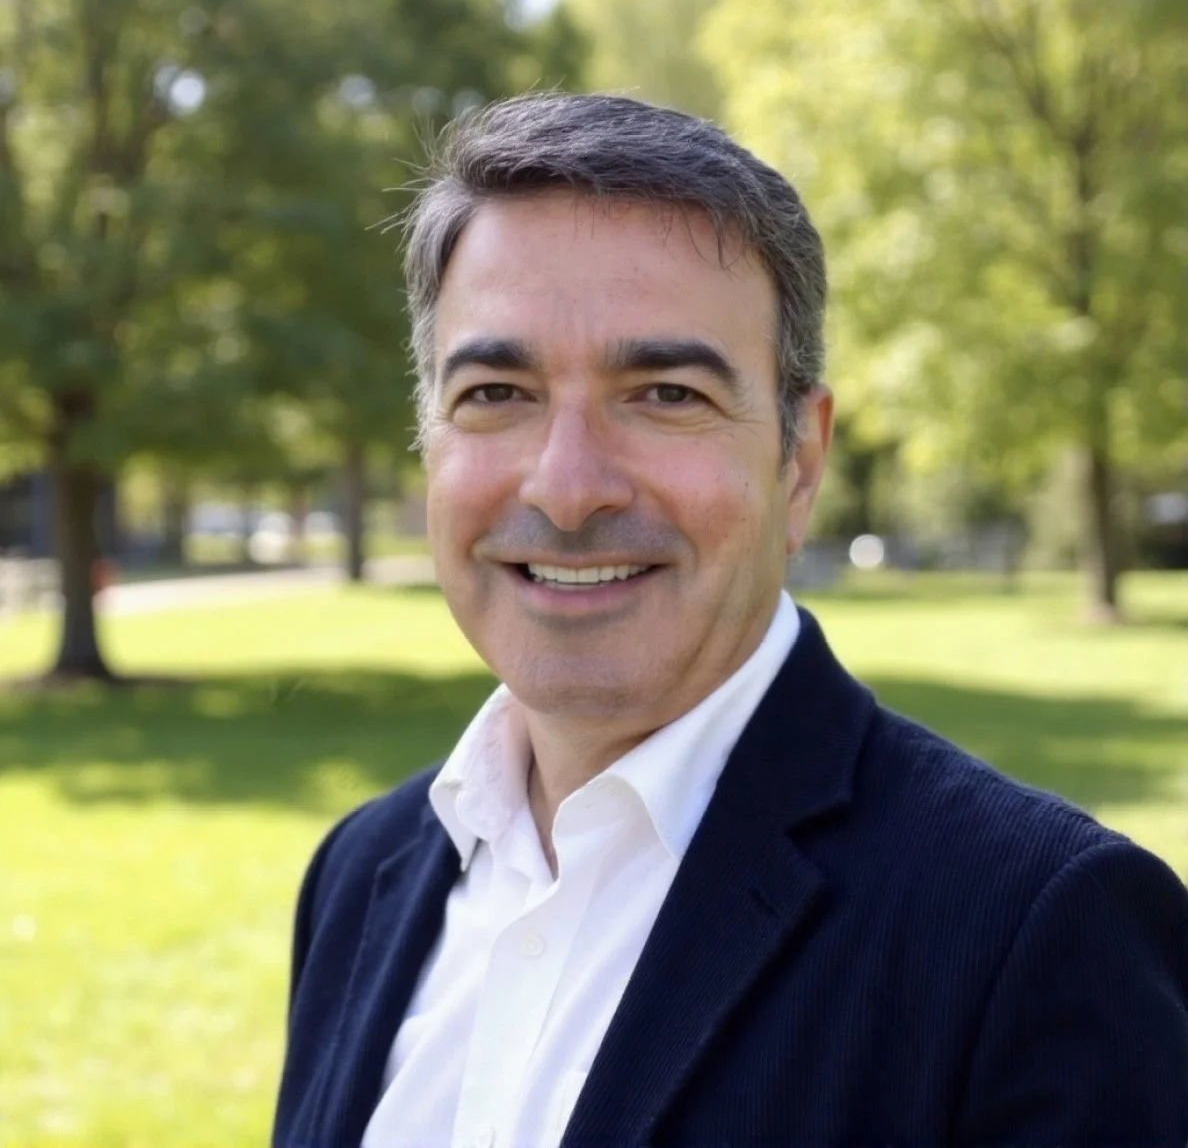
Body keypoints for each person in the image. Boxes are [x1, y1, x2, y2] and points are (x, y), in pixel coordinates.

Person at [272, 93, 1188, 1148]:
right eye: (497, 391)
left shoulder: (1034, 934)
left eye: (664, 394)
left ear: (800, 461)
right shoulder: (359, 877)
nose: (568, 489)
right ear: (428, 438)